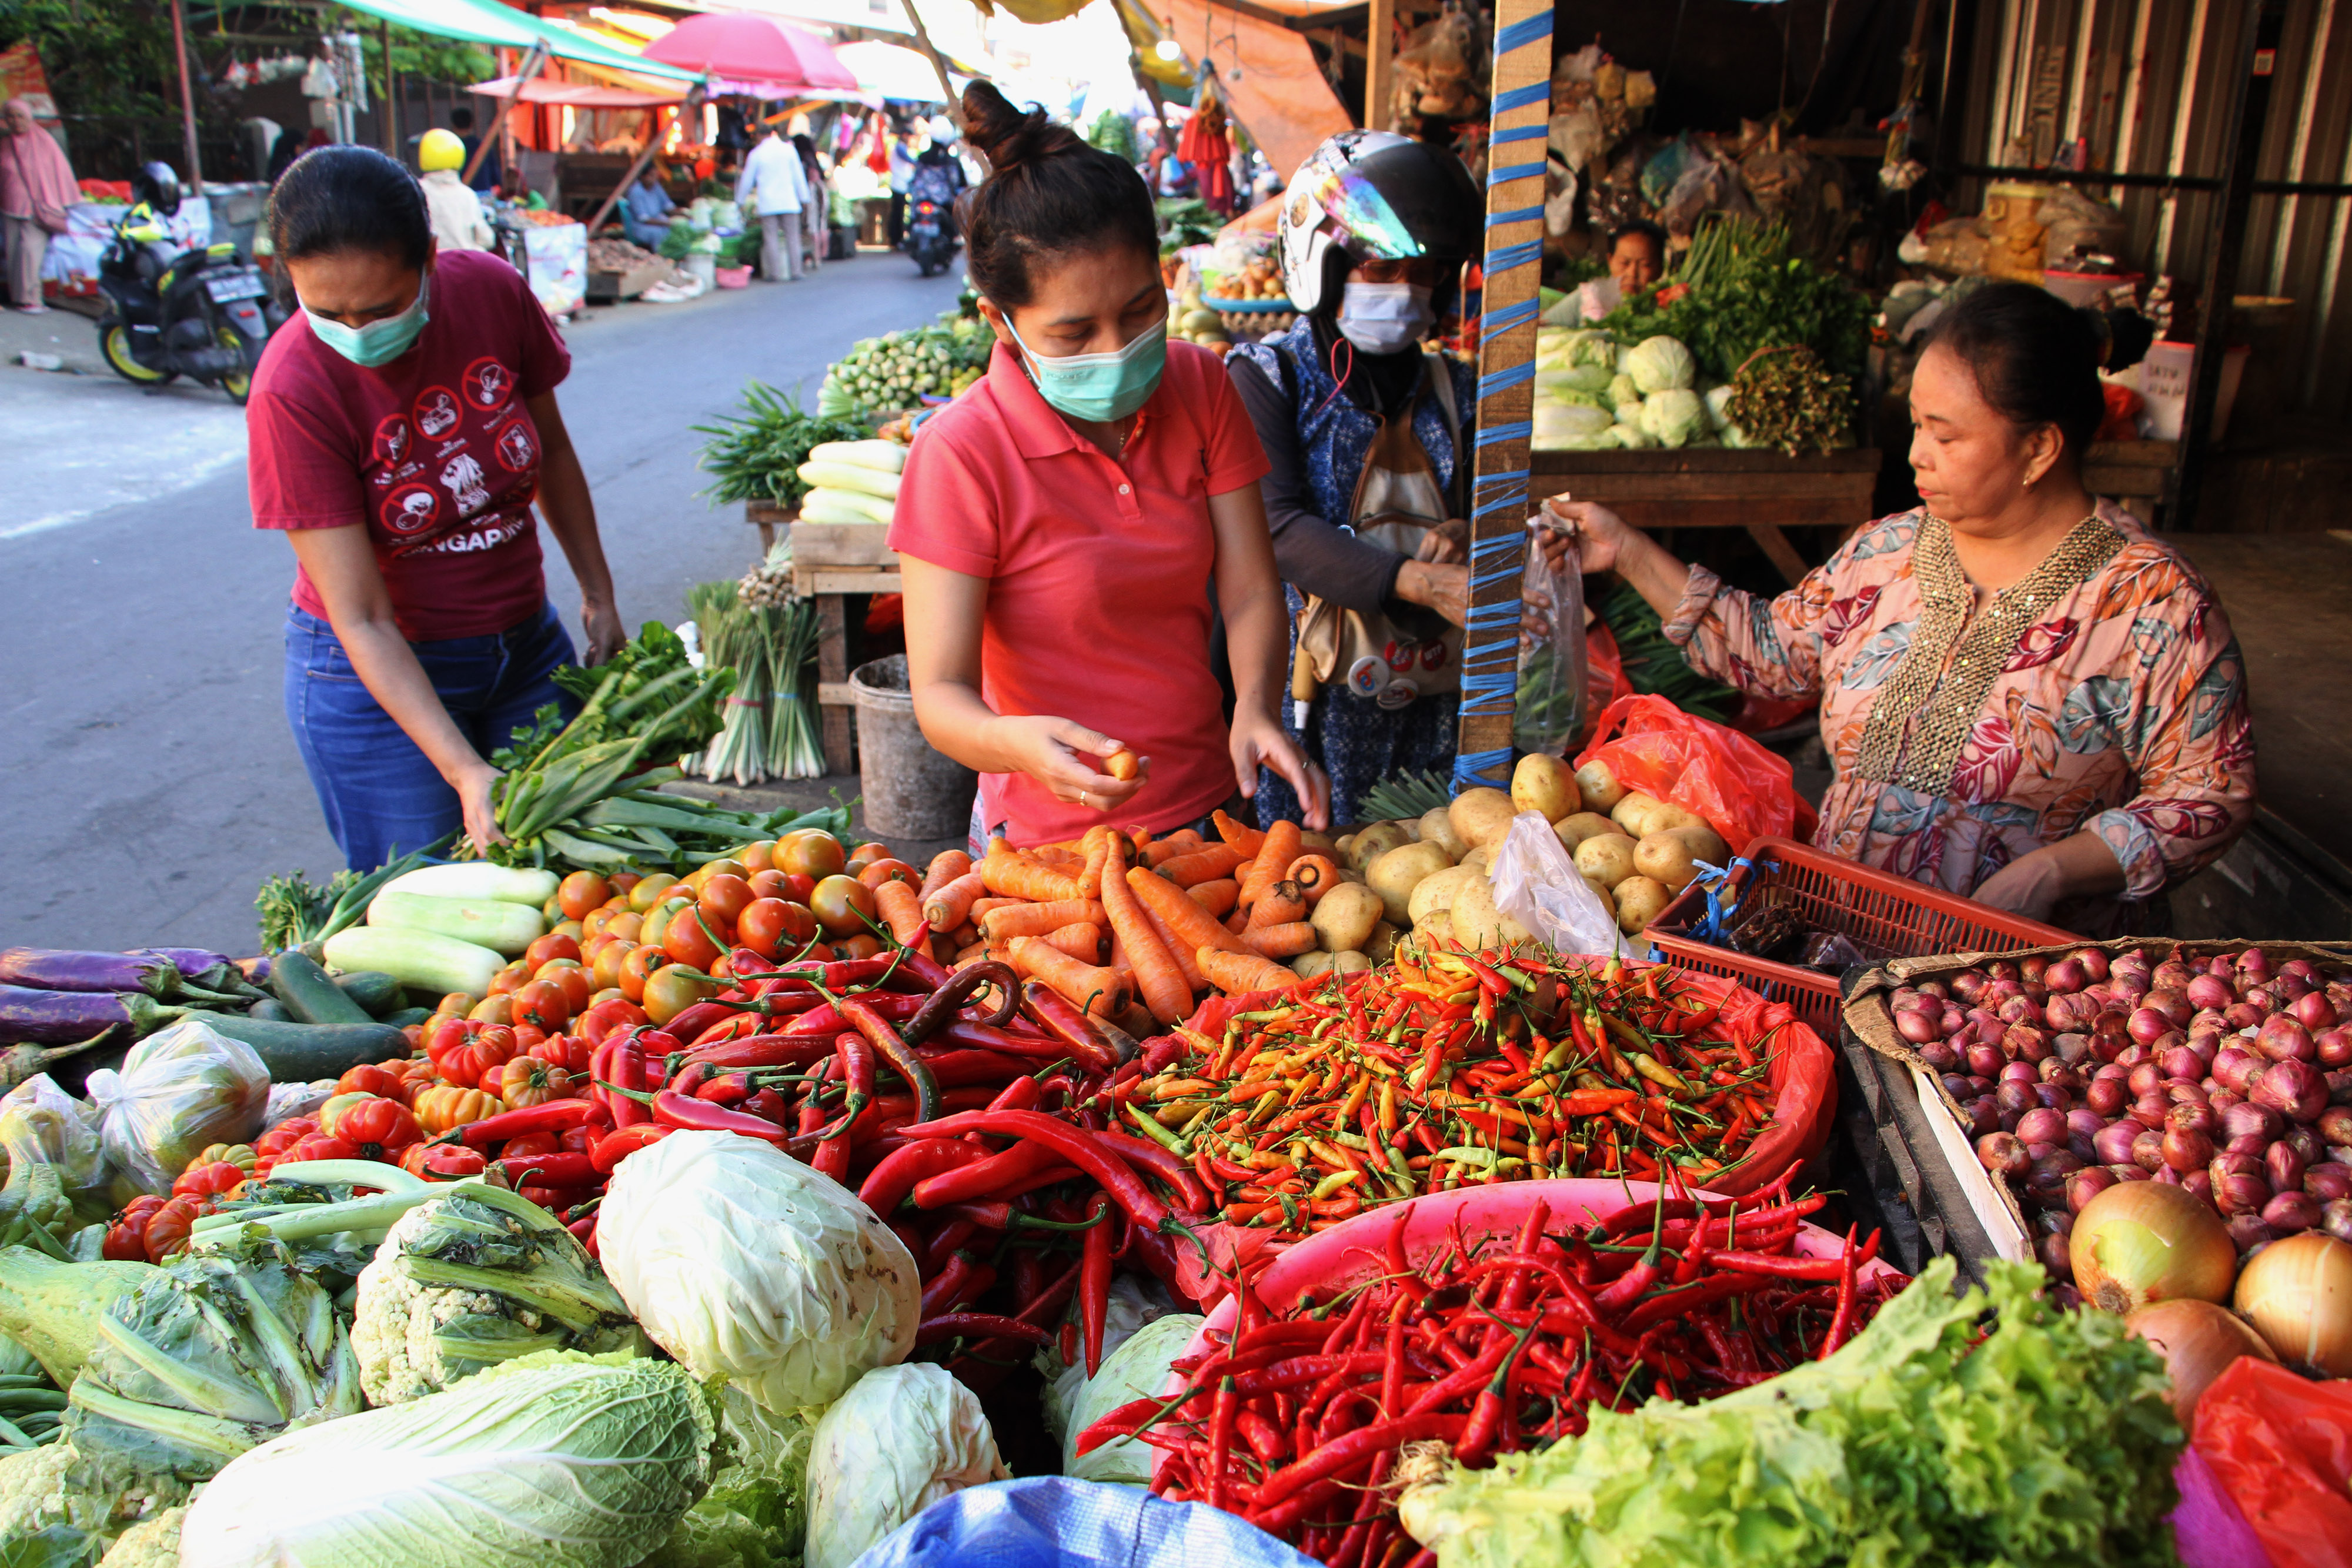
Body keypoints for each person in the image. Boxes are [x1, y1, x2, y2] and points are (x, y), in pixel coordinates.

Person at [1552, 281, 2255, 931]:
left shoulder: (2155, 605)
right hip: (1836, 945)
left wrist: (2053, 870)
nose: (1917, 454)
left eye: (1945, 436)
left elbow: (2210, 792)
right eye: (1916, 425)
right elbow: (1772, 654)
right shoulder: (1886, 551)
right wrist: (1629, 551)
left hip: (2021, 988)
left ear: (2040, 447)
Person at [891, 82, 1328, 852]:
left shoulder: (1201, 384)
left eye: (1139, 310)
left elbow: (1252, 587)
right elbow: (942, 695)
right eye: (1073, 334)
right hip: (1047, 847)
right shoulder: (960, 453)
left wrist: (1256, 707)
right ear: (1000, 321)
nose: (1117, 349)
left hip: (1208, 814)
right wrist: (1016, 745)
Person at [246, 146, 623, 869]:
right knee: (432, 898)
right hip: (378, 680)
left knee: (562, 883)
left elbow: (551, 450)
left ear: (427, 257)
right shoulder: (290, 390)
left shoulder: (490, 293)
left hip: (526, 651)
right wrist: (462, 770)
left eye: (381, 309)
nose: (358, 333)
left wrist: (597, 594)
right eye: (327, 313)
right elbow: (362, 616)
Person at [1227, 130, 1485, 828]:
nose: (1405, 291)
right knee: (1308, 867)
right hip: (1311, 698)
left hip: (1434, 688)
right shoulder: (1269, 377)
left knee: (1437, 857)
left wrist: (1461, 535)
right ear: (1325, 263)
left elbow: (1488, 509)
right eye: (1381, 269)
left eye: (1424, 274)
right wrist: (1418, 580)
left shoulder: (1454, 386)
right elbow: (1275, 527)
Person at [1, 98, 75, 315]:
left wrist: (59, 200)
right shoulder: (5, 144)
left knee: (30, 251)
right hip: (11, 207)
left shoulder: (44, 141)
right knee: (14, 252)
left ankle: (32, 299)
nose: (16, 121)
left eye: (20, 116)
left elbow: (60, 172)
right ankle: (19, 298)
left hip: (39, 207)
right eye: (11, 117)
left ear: (29, 117)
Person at [736, 124, 808, 282]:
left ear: (759, 135)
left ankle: (774, 273)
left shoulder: (756, 154)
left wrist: (740, 200)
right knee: (793, 237)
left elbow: (747, 180)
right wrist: (804, 198)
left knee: (771, 238)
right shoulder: (788, 150)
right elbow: (798, 175)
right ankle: (796, 271)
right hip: (789, 201)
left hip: (768, 202)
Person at [416, 128, 493, 253]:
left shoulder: (416, 191)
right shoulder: (467, 195)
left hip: (430, 262)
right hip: (463, 261)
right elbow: (486, 240)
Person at [791, 133, 826, 273]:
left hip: (811, 194)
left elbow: (811, 179)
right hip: (818, 193)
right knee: (819, 225)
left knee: (812, 227)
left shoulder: (804, 158)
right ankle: (820, 256)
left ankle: (816, 258)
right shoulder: (812, 157)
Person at [620, 163, 674, 250]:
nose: (655, 179)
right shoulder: (635, 192)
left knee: (675, 230)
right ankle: (660, 255)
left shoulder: (656, 186)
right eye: (651, 176)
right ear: (643, 177)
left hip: (657, 221)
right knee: (658, 233)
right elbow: (644, 219)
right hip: (640, 227)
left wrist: (684, 214)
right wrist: (666, 223)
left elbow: (668, 206)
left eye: (656, 176)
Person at [448, 105, 500, 193]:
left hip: (459, 196)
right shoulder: (484, 147)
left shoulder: (449, 149)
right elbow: (496, 180)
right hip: (483, 196)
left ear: (453, 125)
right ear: (471, 124)